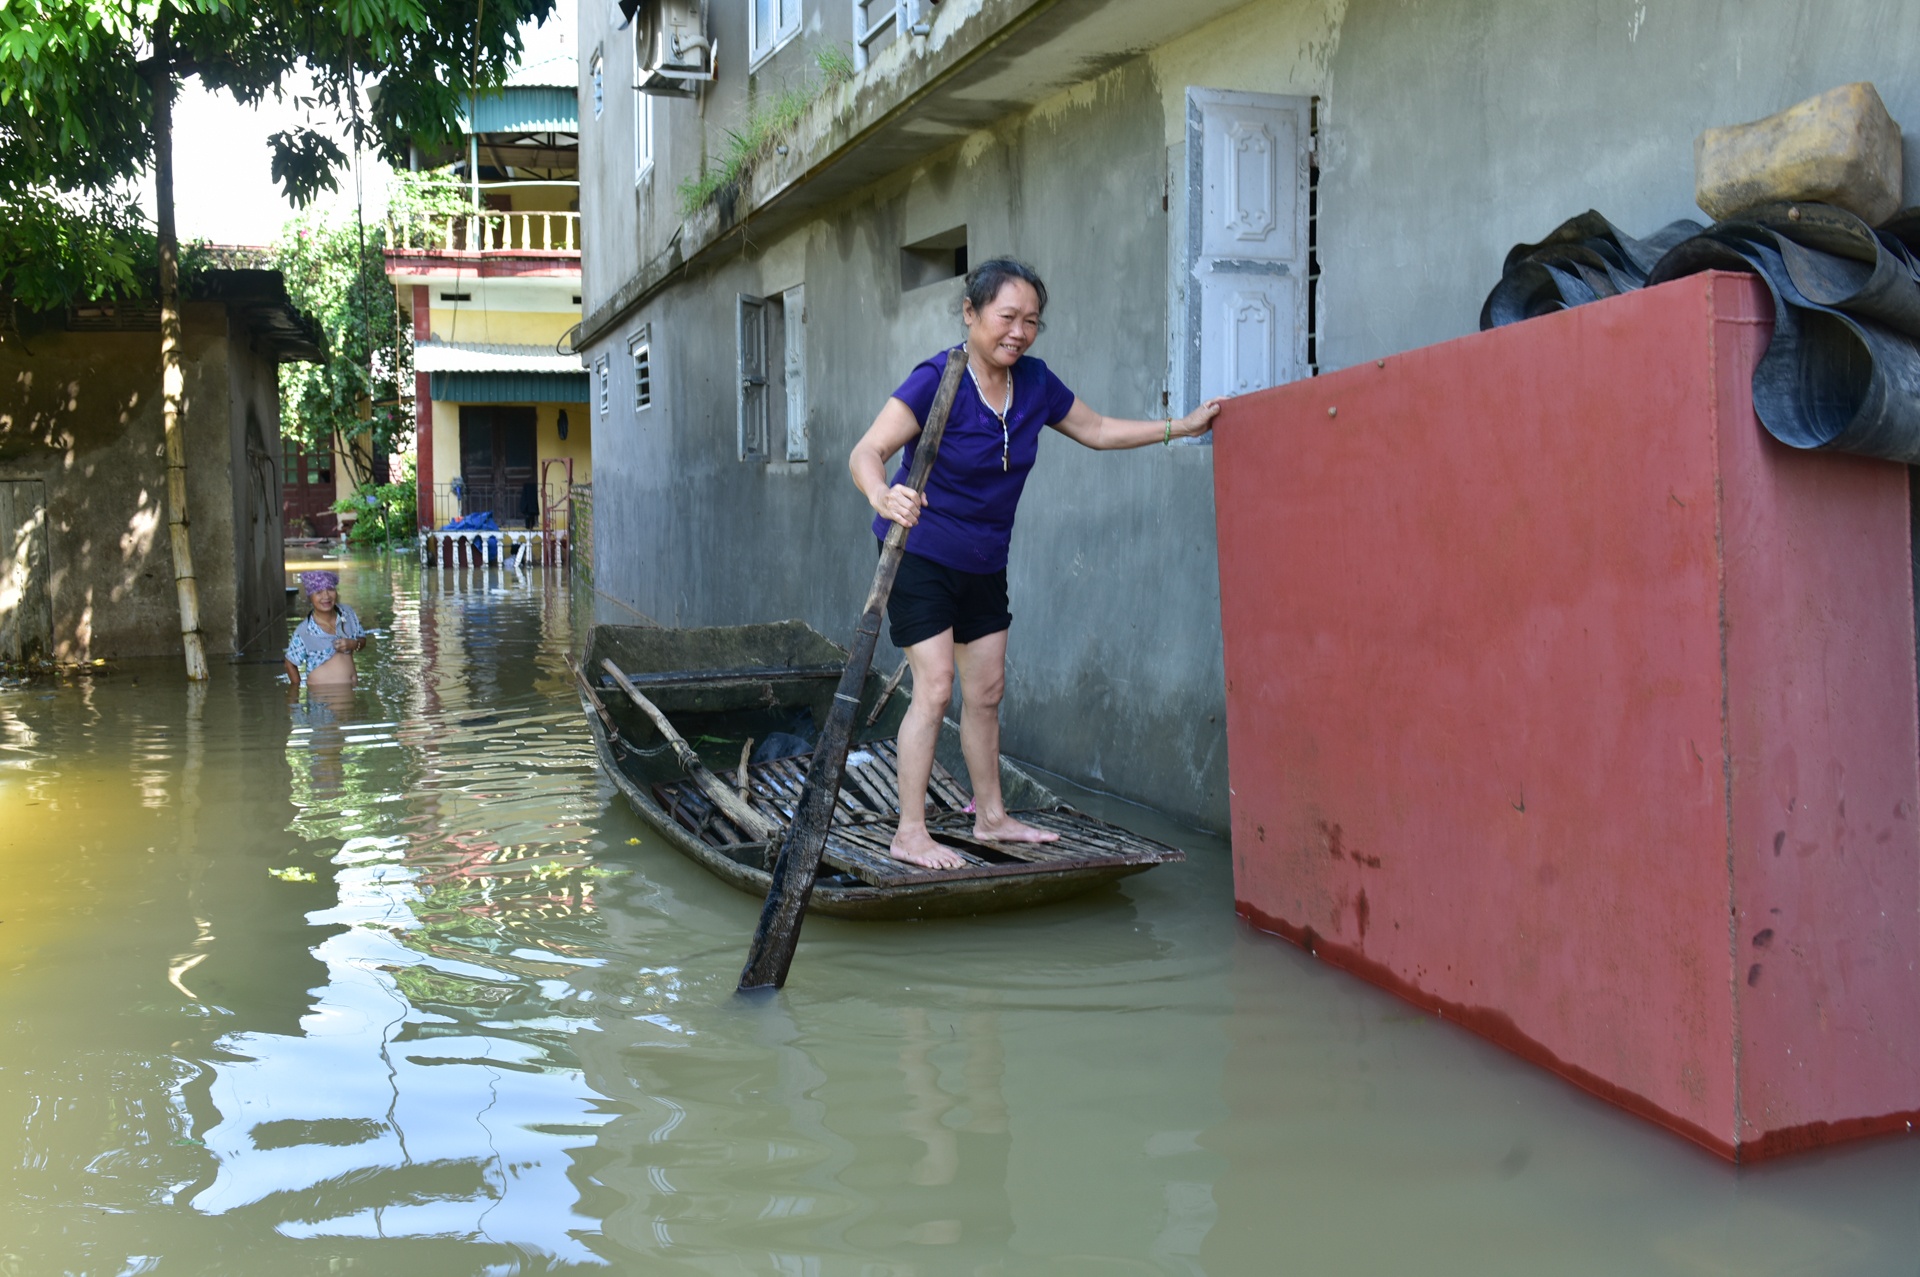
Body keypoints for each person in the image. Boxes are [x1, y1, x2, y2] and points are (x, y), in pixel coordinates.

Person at [849, 258, 1222, 868]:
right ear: (971, 314)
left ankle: (991, 816)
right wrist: (879, 493)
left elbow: (1097, 429)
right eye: (1007, 317)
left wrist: (1180, 427)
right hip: (917, 551)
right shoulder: (936, 378)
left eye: (1031, 321)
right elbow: (868, 450)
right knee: (936, 687)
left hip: (984, 560)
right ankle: (909, 831)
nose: (1018, 332)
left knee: (987, 692)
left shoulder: (1037, 384)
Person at [283, 570, 368, 689]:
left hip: (350, 692)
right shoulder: (305, 631)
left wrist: (354, 644)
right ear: (310, 597)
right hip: (322, 697)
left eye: (331, 589)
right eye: (318, 592)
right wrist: (296, 691)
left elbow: (362, 640)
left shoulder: (347, 614)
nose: (326, 596)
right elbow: (289, 663)